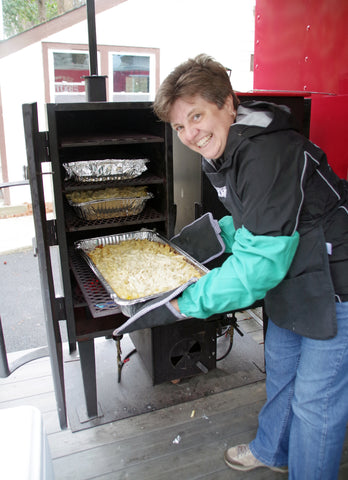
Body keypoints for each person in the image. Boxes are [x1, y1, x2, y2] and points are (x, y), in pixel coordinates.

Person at [150, 54, 348, 479]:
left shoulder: (267, 150)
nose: (190, 134)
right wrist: (206, 244)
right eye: (179, 126)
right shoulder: (223, 146)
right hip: (295, 271)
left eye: (196, 116)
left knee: (316, 400)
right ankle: (273, 450)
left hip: (337, 275)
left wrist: (186, 302)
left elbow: (259, 267)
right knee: (281, 370)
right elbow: (254, 221)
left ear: (227, 102)